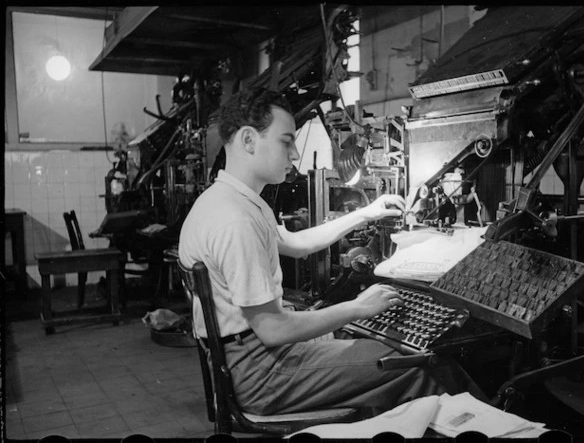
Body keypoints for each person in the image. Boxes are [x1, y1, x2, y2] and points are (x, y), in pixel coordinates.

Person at [179, 87, 481, 416]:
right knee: (412, 366)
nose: (294, 154)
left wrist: (366, 213)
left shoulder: (231, 201)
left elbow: (296, 244)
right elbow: (274, 329)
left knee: (368, 349)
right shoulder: (235, 220)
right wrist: (357, 308)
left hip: (245, 358)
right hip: (260, 372)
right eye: (286, 141)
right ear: (249, 141)